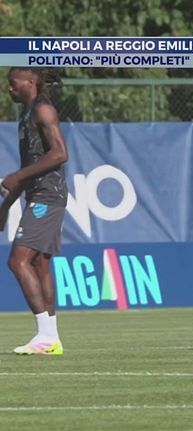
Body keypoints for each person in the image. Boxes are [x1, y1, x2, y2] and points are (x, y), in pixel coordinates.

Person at [0, 67, 68, 355]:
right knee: (39, 264)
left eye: (13, 83)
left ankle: (46, 334)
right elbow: (27, 172)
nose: (9, 88)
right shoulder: (26, 115)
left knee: (18, 262)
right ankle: (51, 338)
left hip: (48, 196)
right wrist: (6, 207)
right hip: (38, 195)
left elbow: (60, 153)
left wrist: (17, 176)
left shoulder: (43, 110)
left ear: (30, 82)